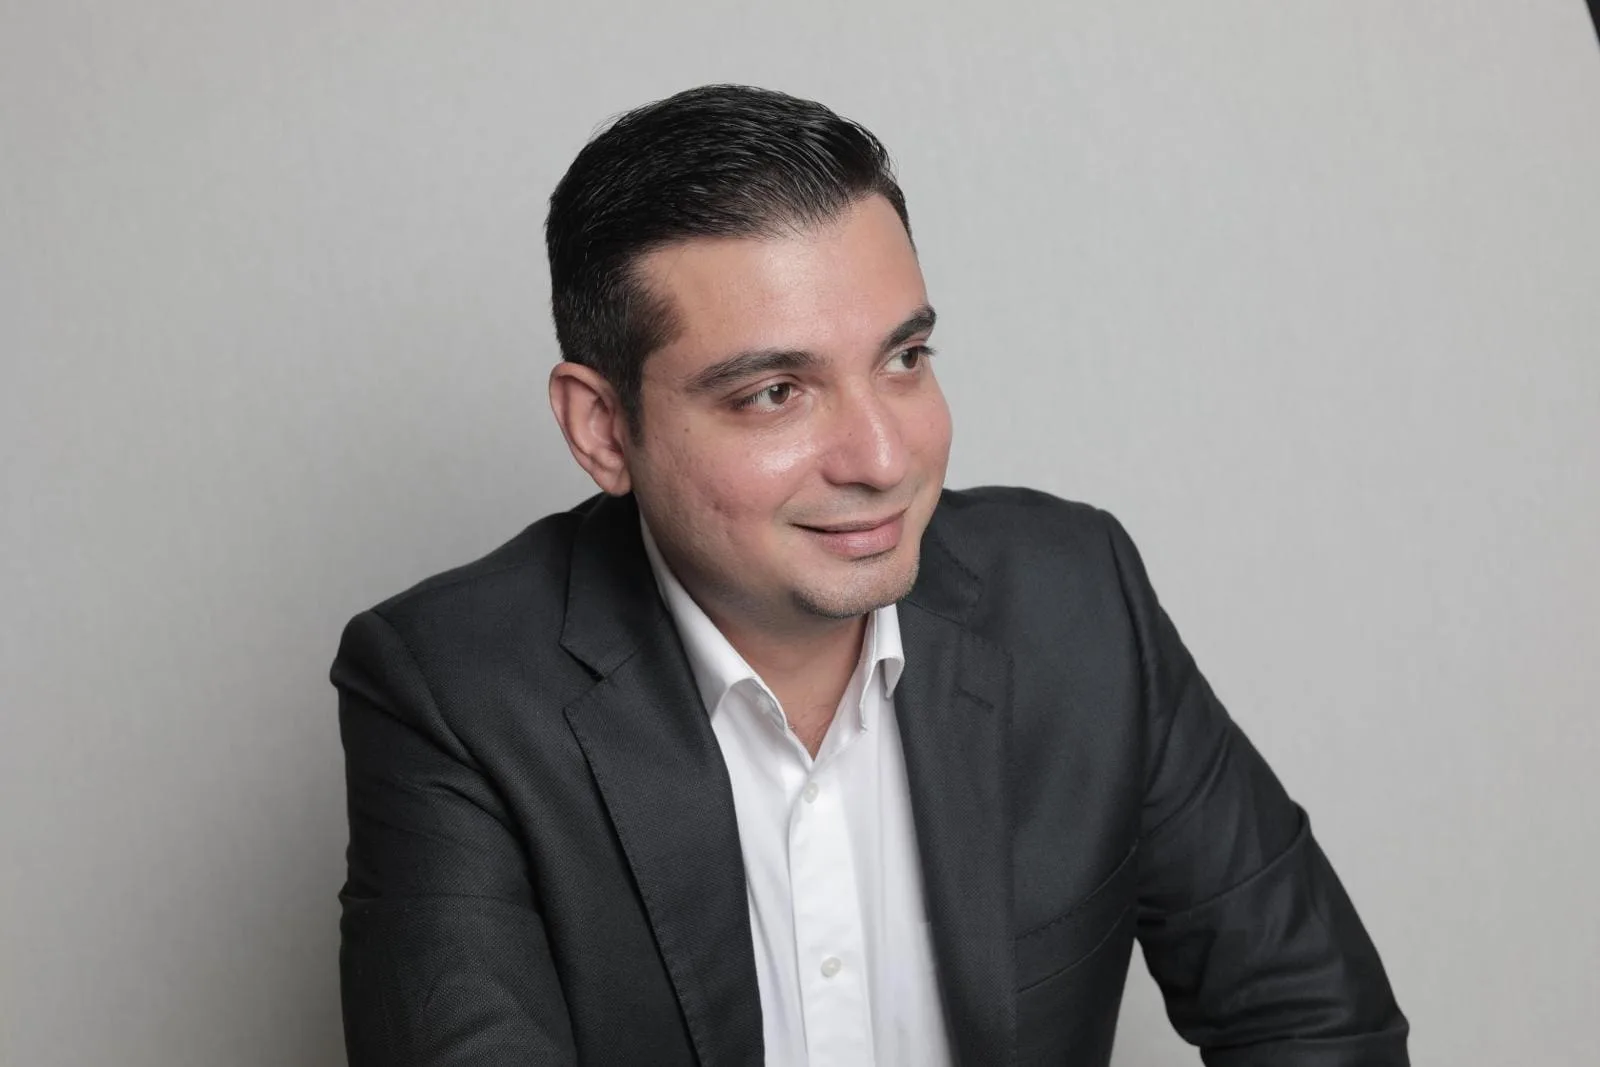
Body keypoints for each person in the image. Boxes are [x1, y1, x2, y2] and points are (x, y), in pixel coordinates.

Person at [330, 84, 1407, 1067]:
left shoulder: (1078, 598)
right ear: (603, 428)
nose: (884, 460)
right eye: (775, 393)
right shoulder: (452, 687)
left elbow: (1313, 1021)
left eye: (903, 360)